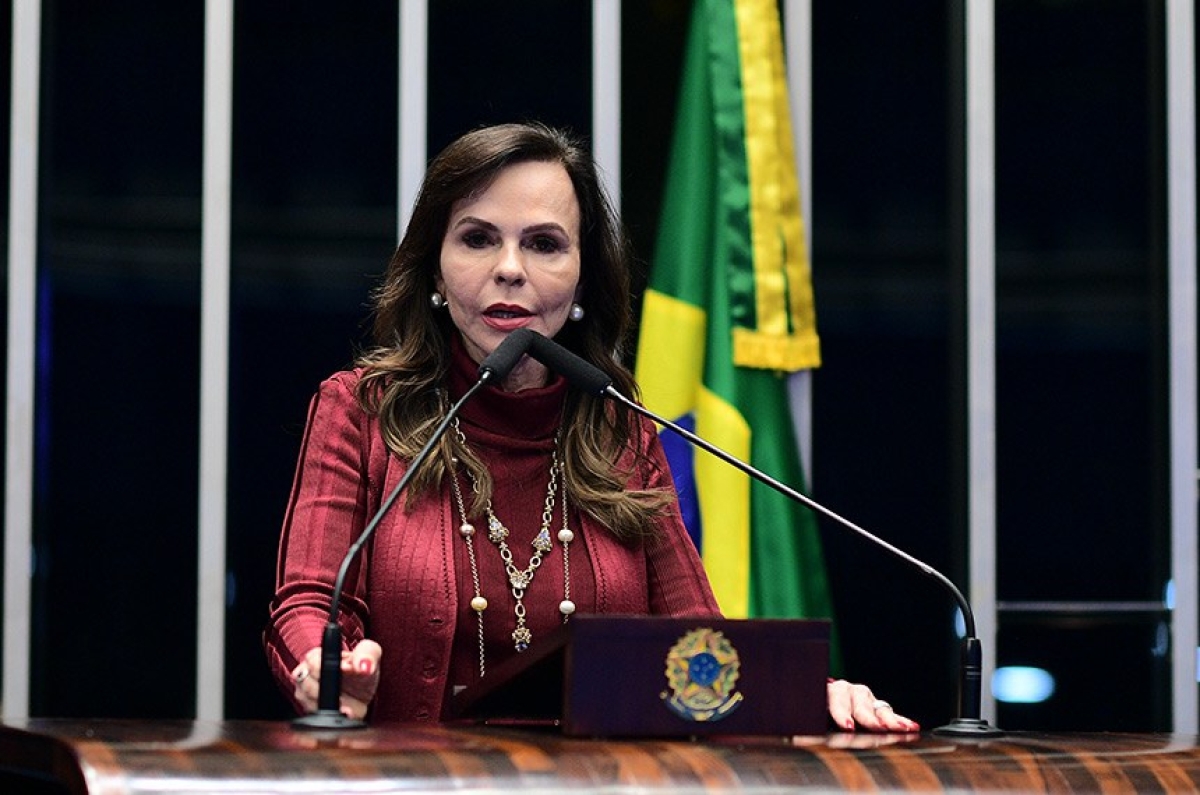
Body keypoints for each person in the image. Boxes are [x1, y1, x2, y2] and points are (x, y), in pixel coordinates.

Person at [263, 122, 919, 733]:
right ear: (435, 269)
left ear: (582, 281)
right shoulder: (361, 409)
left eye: (544, 243)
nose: (511, 267)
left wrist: (807, 694)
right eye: (478, 237)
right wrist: (326, 665)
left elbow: (697, 636)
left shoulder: (620, 430)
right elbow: (309, 600)